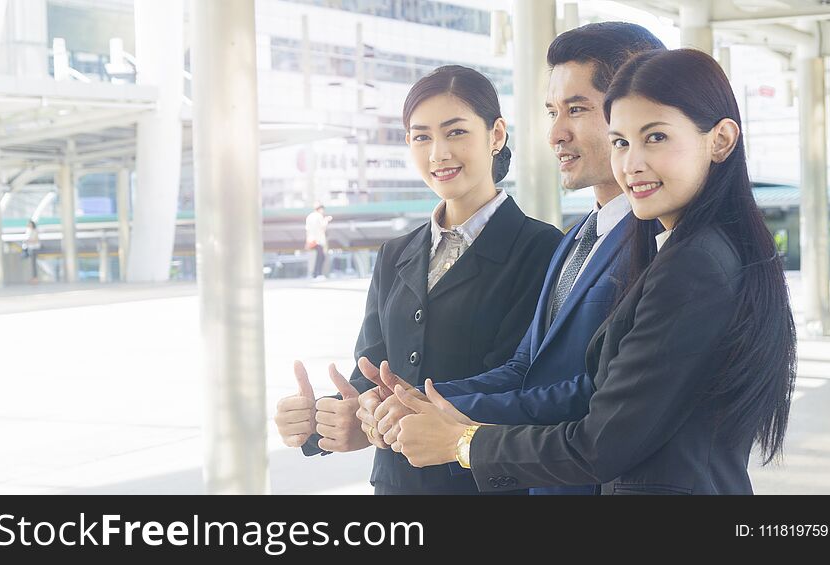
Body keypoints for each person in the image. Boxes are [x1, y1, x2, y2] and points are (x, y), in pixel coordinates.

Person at [391, 48, 798, 495]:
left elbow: (601, 441)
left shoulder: (695, 264)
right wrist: (427, 403)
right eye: (621, 142)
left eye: (656, 137)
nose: (632, 163)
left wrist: (463, 443)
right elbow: (578, 382)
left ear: (720, 140)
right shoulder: (664, 247)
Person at [358, 22, 666, 495]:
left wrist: (458, 434)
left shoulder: (660, 244)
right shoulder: (578, 238)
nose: (555, 133)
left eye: (577, 109)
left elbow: (595, 396)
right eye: (551, 112)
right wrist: (409, 402)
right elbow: (527, 368)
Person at [274, 65, 562, 494]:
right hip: (397, 487)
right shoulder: (395, 254)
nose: (438, 153)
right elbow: (370, 373)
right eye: (421, 136)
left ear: (496, 135)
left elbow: (524, 384)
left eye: (456, 132)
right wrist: (326, 417)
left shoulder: (541, 248)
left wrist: (386, 413)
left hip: (484, 486)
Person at [305, 203, 332, 279]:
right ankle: (317, 274)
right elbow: (323, 227)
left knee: (318, 256)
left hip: (311, 240)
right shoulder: (319, 216)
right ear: (320, 209)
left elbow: (307, 230)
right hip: (318, 240)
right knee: (321, 257)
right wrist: (326, 220)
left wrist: (307, 241)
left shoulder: (309, 216)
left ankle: (315, 274)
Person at [23, 219, 41, 284]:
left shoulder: (34, 231)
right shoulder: (29, 231)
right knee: (32, 264)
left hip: (34, 249)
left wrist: (28, 241)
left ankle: (35, 278)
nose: (28, 225)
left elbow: (36, 240)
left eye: (29, 224)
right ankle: (34, 278)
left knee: (33, 264)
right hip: (31, 248)